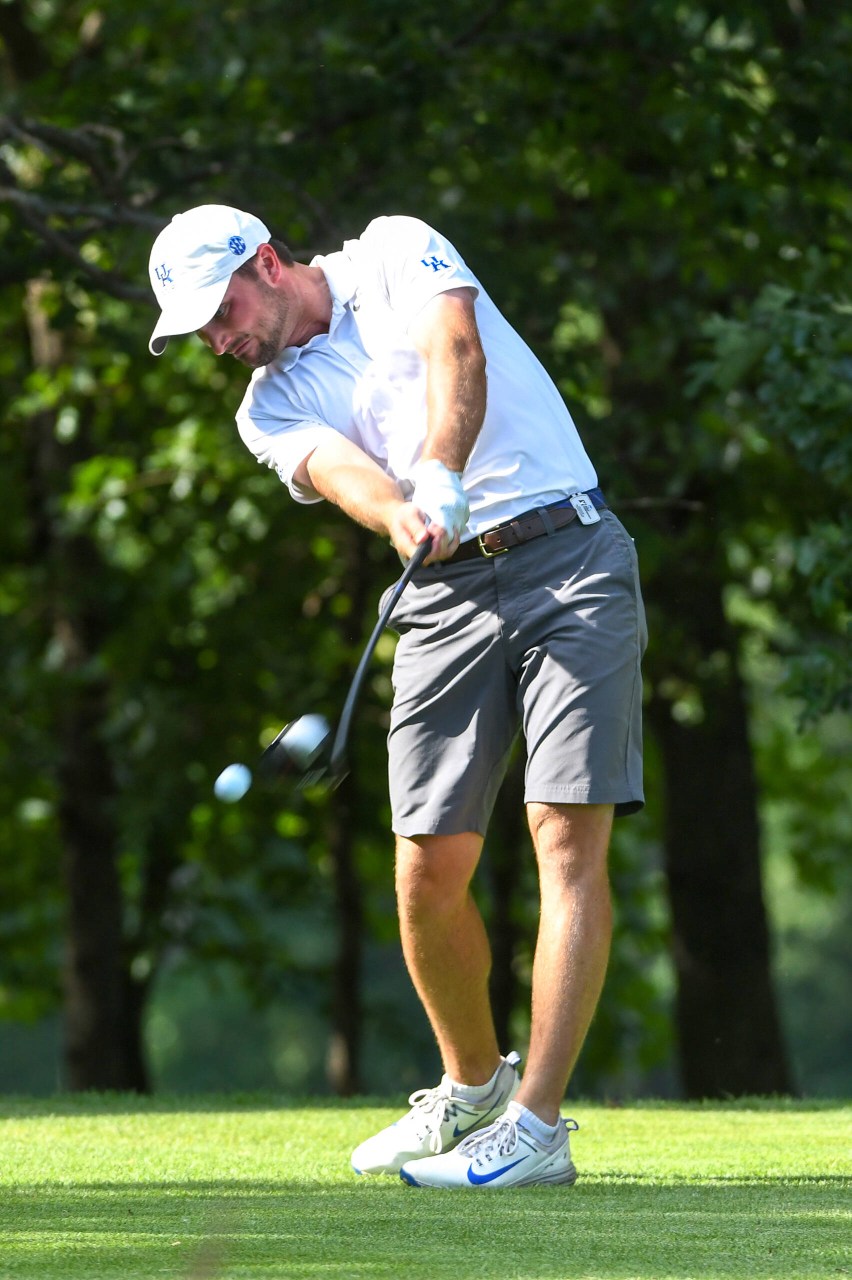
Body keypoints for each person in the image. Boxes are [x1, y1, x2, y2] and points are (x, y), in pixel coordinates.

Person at [148, 204, 647, 1189]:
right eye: (197, 329)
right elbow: (349, 479)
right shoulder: (264, 406)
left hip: (571, 557)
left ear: (268, 261)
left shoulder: (390, 250)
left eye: (221, 308)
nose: (218, 336)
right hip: (443, 591)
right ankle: (471, 1085)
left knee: (563, 835)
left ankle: (537, 1127)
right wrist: (407, 510)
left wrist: (443, 469)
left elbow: (457, 348)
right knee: (424, 867)